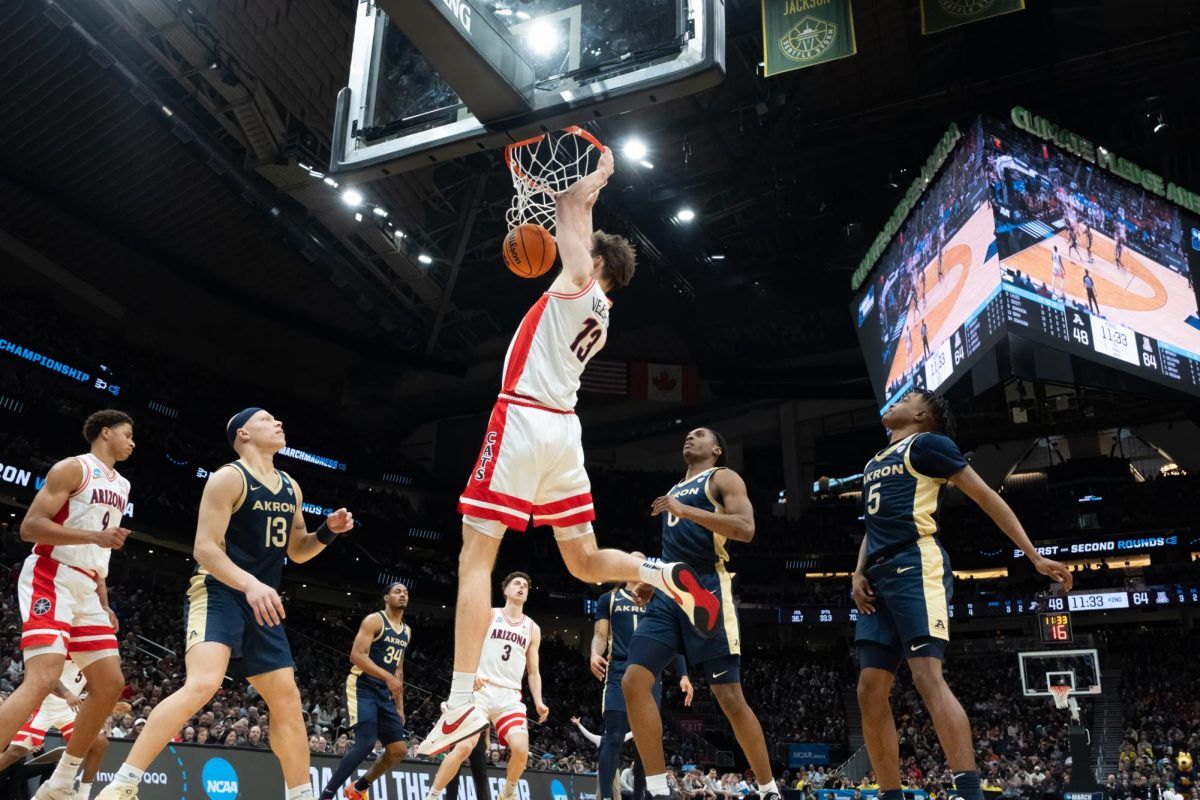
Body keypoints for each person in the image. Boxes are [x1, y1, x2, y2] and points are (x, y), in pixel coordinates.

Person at [420, 146, 719, 755]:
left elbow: (568, 208)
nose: (573, 244)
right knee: (583, 561)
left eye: (587, 245)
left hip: (525, 417)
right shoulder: (602, 308)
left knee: (475, 561)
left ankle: (458, 704)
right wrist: (587, 192)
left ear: (596, 260)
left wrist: (592, 178)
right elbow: (576, 213)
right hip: (563, 431)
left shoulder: (580, 280)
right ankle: (656, 573)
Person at [97, 408, 354, 800]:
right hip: (219, 590)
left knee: (287, 698)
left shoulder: (291, 486)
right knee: (203, 683)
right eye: (268, 419)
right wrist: (250, 584)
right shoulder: (228, 478)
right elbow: (205, 548)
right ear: (244, 434)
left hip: (261, 600)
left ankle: (302, 794)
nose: (280, 422)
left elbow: (298, 551)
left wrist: (326, 532)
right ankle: (124, 784)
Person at [850, 390, 1073, 800]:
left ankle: (968, 791)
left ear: (920, 414)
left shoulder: (929, 444)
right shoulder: (875, 460)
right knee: (868, 688)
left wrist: (1034, 556)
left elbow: (986, 496)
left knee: (925, 676)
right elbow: (872, 526)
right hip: (876, 576)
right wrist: (857, 572)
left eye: (907, 398)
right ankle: (890, 794)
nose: (894, 401)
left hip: (914, 565)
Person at [623, 429, 779, 800]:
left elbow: (746, 529)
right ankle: (659, 790)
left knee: (729, 697)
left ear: (716, 448)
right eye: (688, 434)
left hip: (707, 585)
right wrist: (651, 581)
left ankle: (769, 789)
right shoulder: (674, 488)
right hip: (669, 589)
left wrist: (686, 510)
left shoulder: (722, 477)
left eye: (700, 434)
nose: (690, 437)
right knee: (633, 680)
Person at [5, 410, 133, 800]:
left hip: (88, 585)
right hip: (51, 574)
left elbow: (101, 555)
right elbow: (30, 527)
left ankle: (63, 781)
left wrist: (104, 603)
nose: (132, 442)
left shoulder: (123, 485)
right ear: (105, 433)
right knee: (42, 679)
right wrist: (95, 536)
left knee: (110, 684)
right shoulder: (72, 468)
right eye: (127, 435)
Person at [424, 572, 547, 800]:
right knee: (462, 748)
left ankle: (508, 793)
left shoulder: (532, 628)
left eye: (525, 586)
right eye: (516, 584)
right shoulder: (489, 615)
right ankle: (432, 795)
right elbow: (466, 647)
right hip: (480, 691)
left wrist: (539, 701)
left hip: (509, 697)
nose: (521, 588)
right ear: (506, 590)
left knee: (521, 750)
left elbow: (533, 671)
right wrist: (471, 675)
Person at [592, 566, 694, 800]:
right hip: (618, 670)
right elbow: (599, 634)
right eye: (631, 563)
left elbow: (673, 639)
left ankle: (640, 797)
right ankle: (606, 797)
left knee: (644, 742)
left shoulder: (659, 599)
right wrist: (594, 653)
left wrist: (684, 674)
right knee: (614, 736)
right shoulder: (609, 598)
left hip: (650, 674)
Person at [319, 581, 413, 800]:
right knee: (367, 742)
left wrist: (400, 707)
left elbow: (398, 670)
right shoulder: (374, 620)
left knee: (399, 750)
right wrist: (387, 677)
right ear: (386, 598)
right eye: (397, 592)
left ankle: (358, 788)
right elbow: (357, 656)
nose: (403, 595)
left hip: (385, 693)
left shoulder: (406, 631)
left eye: (406, 592)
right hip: (362, 687)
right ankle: (326, 795)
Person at [0, 660, 111, 799]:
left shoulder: (96, 658)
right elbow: (47, 676)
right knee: (16, 752)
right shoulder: (69, 648)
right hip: (44, 704)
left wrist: (113, 706)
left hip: (68, 709)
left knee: (100, 744)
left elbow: (93, 688)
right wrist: (67, 694)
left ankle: (83, 795)